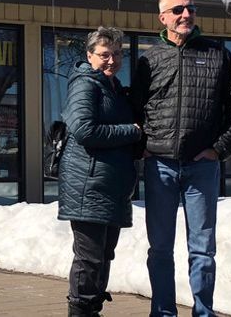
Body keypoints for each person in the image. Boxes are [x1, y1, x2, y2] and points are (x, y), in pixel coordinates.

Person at [131, 0, 231, 317]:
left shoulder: (218, 55)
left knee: (203, 250)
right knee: (160, 249)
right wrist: (144, 150)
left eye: (191, 9)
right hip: (160, 167)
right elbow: (135, 111)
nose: (187, 15)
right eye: (179, 9)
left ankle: (203, 311)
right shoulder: (149, 59)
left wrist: (219, 149)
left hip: (202, 168)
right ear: (163, 18)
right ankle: (163, 312)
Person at [58, 26, 143, 317]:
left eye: (117, 54)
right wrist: (131, 131)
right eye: (105, 54)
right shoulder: (85, 83)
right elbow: (84, 129)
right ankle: (80, 312)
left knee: (103, 256)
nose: (112, 60)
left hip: (110, 187)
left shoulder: (113, 87)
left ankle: (91, 310)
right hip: (88, 185)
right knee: (89, 260)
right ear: (90, 55)